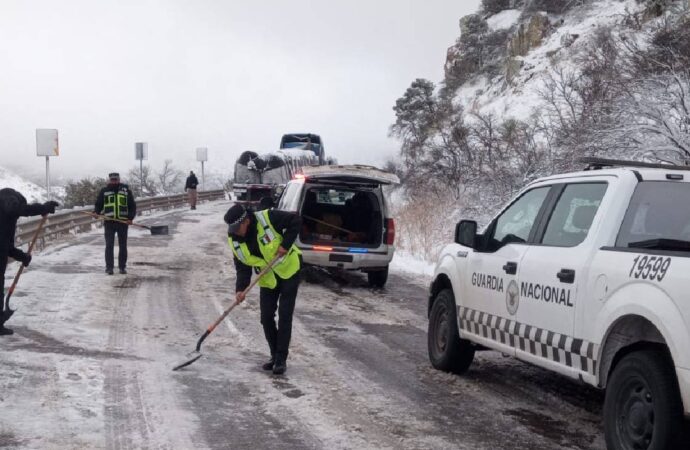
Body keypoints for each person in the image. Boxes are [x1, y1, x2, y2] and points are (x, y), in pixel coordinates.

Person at [224, 203, 302, 375]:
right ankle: (274, 355)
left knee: (285, 315)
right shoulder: (234, 239)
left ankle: (281, 359)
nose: (236, 232)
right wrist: (240, 289)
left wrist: (286, 244)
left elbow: (295, 221)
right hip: (268, 279)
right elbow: (242, 265)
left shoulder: (268, 218)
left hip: (289, 270)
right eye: (233, 229)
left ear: (246, 221)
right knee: (266, 317)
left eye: (238, 228)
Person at [0, 188, 58, 335]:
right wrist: (42, 208)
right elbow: (15, 208)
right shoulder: (7, 198)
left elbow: (7, 246)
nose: (18, 216)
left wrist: (23, 257)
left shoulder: (6, 217)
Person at [94, 173, 136, 275]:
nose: (114, 181)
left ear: (119, 179)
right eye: (112, 180)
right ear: (109, 180)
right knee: (109, 245)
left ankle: (122, 267)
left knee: (123, 246)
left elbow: (132, 206)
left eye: (116, 179)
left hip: (122, 222)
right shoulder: (104, 191)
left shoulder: (126, 191)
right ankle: (109, 268)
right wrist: (96, 212)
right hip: (109, 222)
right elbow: (99, 203)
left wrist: (130, 218)